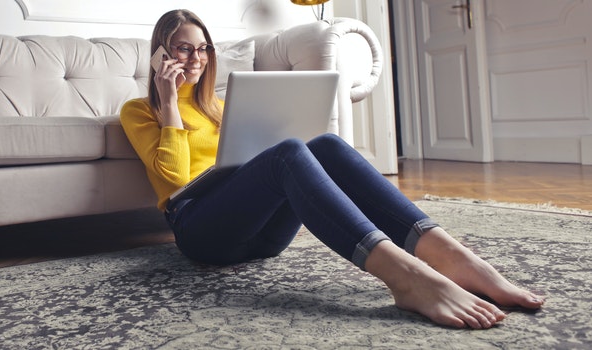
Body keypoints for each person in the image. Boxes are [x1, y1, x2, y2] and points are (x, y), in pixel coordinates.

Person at [120, 9, 544, 329]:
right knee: (287, 151)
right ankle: (406, 276)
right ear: (161, 53)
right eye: (183, 48)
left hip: (262, 238)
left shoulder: (223, 108)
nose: (196, 57)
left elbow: (256, 168)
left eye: (203, 48)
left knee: (323, 144)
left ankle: (450, 255)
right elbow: (174, 179)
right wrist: (170, 102)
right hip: (201, 231)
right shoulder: (139, 111)